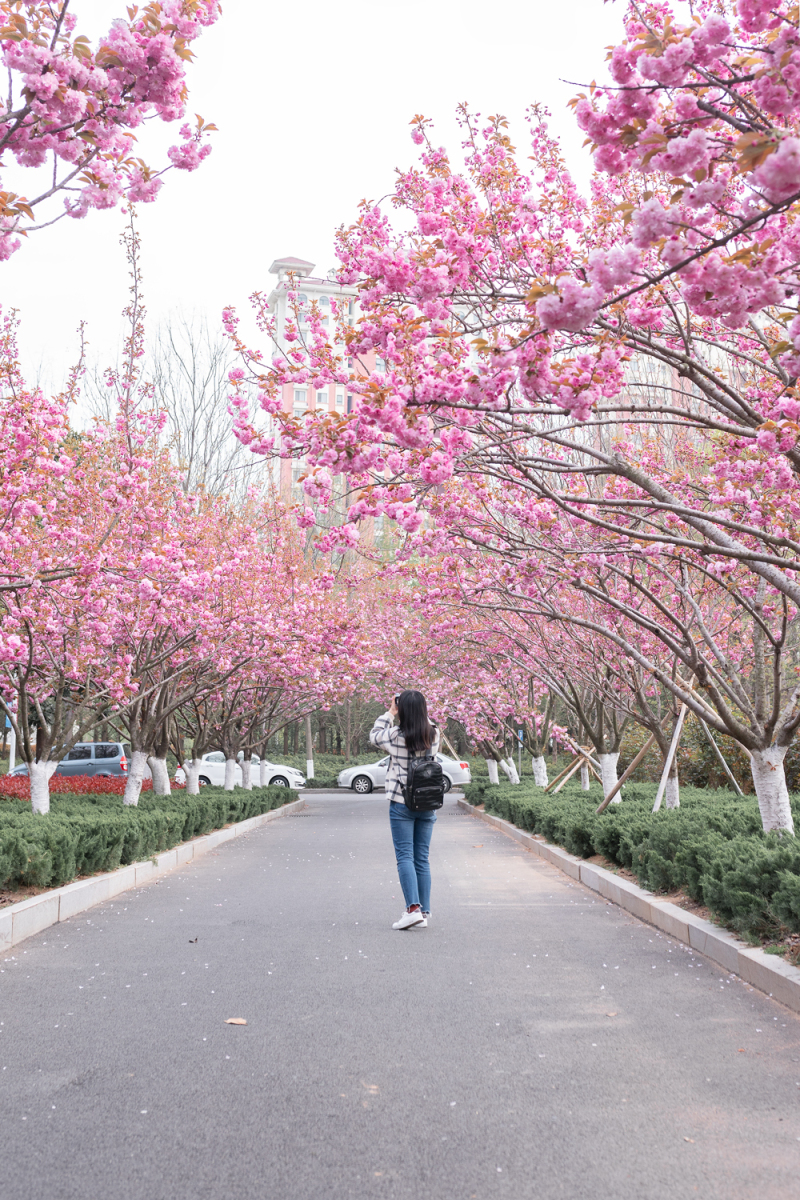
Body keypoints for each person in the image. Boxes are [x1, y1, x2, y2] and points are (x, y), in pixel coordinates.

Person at [370, 690, 441, 930]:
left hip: (402, 802)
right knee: (422, 858)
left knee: (405, 857)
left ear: (402, 709)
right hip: (428, 802)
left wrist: (390, 712)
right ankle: (424, 911)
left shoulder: (394, 735)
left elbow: (374, 735)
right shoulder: (434, 733)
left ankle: (412, 909)